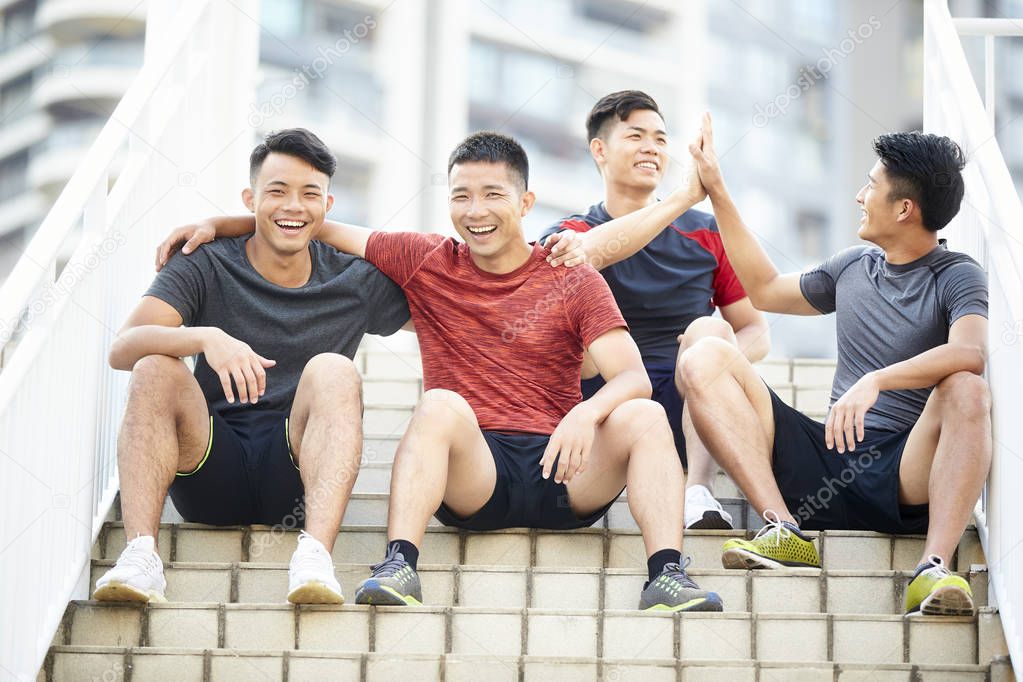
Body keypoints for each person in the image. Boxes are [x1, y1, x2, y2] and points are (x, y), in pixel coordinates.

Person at [165, 131, 723, 612]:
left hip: (563, 466)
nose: (475, 211)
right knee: (439, 404)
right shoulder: (427, 259)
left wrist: (587, 411)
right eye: (461, 196)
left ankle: (666, 573)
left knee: (646, 415)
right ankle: (399, 566)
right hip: (475, 473)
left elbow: (633, 377)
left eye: (492, 195)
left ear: (525, 201)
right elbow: (313, 225)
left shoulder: (569, 272)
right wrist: (223, 223)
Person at [679, 114, 989, 617]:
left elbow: (970, 353)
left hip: (903, 472)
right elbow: (764, 289)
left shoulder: (957, 275)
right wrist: (717, 190)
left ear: (905, 208)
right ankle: (782, 528)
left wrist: (878, 379)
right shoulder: (851, 266)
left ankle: (934, 566)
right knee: (705, 355)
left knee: (968, 390)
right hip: (825, 457)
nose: (860, 197)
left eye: (871, 186)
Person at [94, 128, 410, 605]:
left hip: (295, 476)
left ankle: (315, 556)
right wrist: (205, 337)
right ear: (251, 198)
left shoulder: (353, 278)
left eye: (309, 194)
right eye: (277, 191)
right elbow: (124, 347)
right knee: (155, 365)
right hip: (209, 466)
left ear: (328, 205)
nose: (293, 206)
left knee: (335, 370)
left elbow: (453, 308)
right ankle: (140, 557)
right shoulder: (206, 261)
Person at [540, 91, 770, 530]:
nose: (652, 147)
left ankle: (697, 492)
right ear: (599, 150)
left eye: (662, 139)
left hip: (691, 402)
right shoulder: (572, 232)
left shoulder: (706, 233)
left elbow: (756, 329)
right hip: (602, 400)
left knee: (708, 330)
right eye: (637, 136)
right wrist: (683, 198)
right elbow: (582, 257)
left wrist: (713, 360)